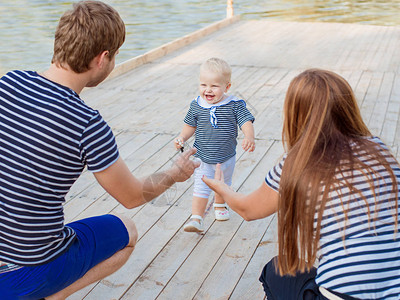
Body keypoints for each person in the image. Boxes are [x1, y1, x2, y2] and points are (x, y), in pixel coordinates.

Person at [0, 1, 199, 299]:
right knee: (127, 231)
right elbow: (132, 196)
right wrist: (175, 173)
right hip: (22, 273)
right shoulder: (87, 123)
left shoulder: (10, 82)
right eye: (116, 55)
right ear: (102, 58)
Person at [203, 69, 400, 299]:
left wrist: (222, 188)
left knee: (277, 271)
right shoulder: (379, 149)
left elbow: (248, 210)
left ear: (296, 113)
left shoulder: (298, 161)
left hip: (342, 296)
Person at [174, 57, 255, 233]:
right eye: (204, 85)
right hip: (202, 156)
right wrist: (182, 137)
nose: (208, 90)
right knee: (201, 185)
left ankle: (220, 204)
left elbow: (245, 121)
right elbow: (190, 126)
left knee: (223, 183)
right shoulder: (197, 105)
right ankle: (197, 218)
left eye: (214, 86)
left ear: (227, 87)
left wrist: (249, 136)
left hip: (226, 156)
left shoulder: (234, 105)